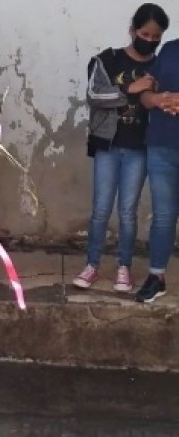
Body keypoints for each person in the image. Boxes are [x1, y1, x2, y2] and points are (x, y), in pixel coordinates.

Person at [73, 3, 169, 293]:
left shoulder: (159, 66)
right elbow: (94, 95)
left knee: (127, 211)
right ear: (132, 30)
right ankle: (92, 265)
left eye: (156, 37)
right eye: (145, 34)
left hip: (140, 148)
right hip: (108, 146)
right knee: (101, 209)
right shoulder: (107, 60)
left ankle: (124, 267)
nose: (150, 41)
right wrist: (131, 88)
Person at [136, 8, 179, 303]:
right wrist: (158, 99)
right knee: (163, 216)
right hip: (162, 144)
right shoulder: (169, 49)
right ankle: (156, 276)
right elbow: (145, 93)